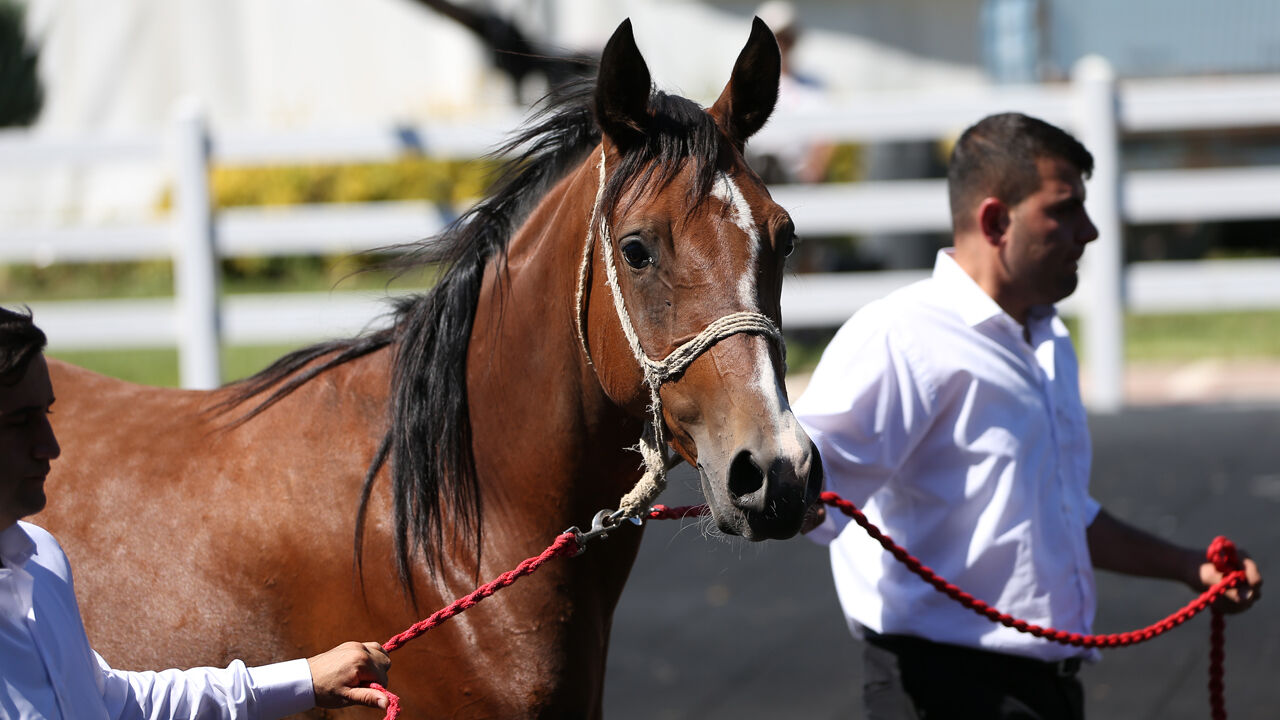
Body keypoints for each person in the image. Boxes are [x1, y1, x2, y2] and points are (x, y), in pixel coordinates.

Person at [793, 112, 1263, 720]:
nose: (1089, 231)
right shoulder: (900, 338)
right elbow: (799, 489)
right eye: (1064, 209)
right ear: (995, 220)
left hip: (1045, 691)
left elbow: (1062, 515)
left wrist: (1187, 568)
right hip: (941, 694)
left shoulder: (1045, 339)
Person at [0, 306, 394, 719]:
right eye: (22, 421)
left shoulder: (40, 560)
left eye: (45, 414)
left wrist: (306, 679)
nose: (50, 446)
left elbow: (117, 703)